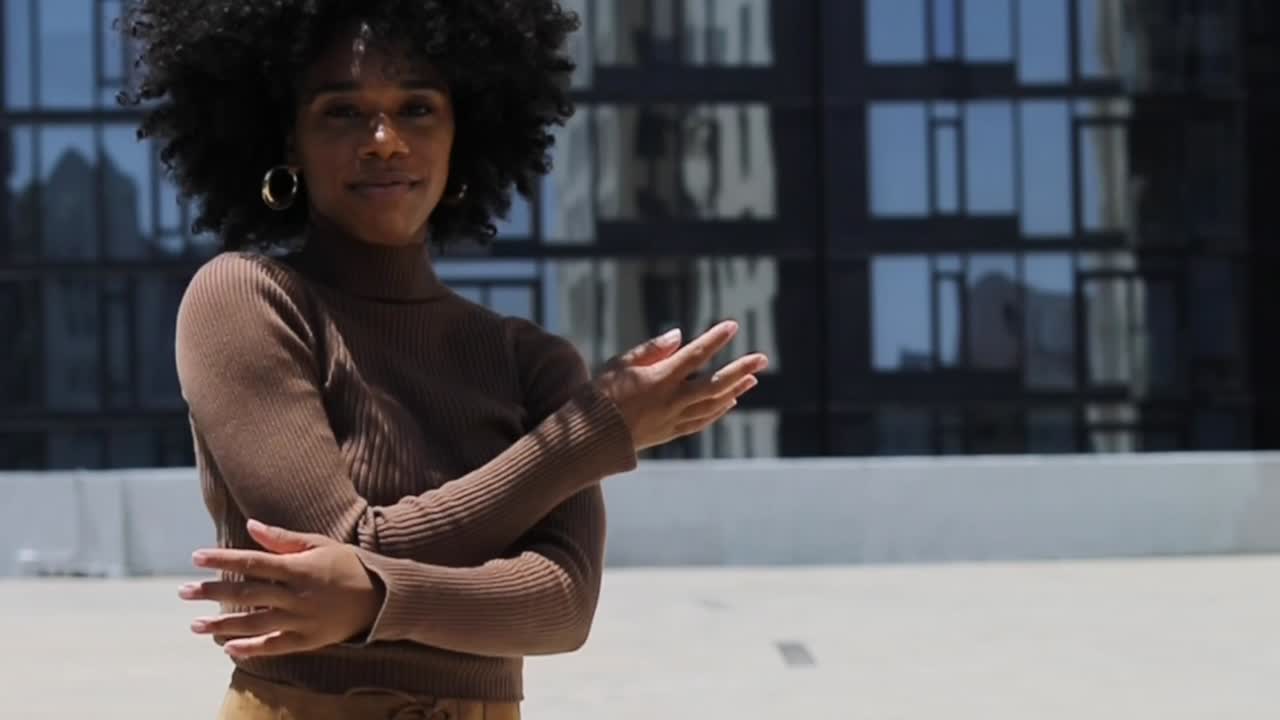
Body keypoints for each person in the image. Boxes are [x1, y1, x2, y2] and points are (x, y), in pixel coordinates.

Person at [120, 2, 768, 718]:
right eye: (342, 112)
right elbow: (336, 545)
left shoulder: (533, 361)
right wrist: (588, 435)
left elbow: (562, 606)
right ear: (289, 139)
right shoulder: (247, 300)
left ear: (466, 132)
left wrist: (373, 596)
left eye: (418, 109)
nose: (385, 141)